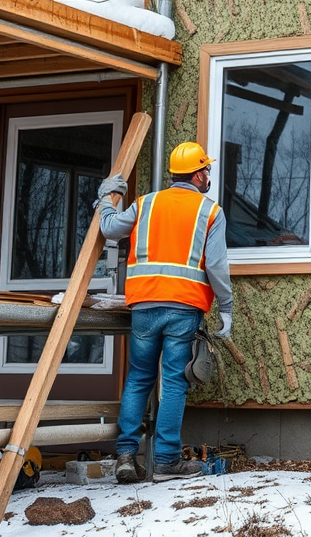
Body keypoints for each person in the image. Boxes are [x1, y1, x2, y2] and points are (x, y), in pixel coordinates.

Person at [97, 141, 233, 483]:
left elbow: (110, 229)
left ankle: (126, 456)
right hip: (183, 308)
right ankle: (168, 462)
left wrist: (104, 196)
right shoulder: (210, 211)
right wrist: (227, 307)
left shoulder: (146, 203)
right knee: (173, 381)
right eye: (208, 171)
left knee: (139, 377)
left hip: (144, 305)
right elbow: (216, 266)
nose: (209, 177)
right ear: (199, 174)